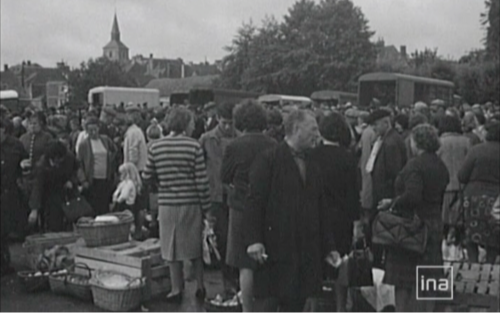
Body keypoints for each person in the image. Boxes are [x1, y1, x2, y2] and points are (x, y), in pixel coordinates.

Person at [246, 109, 339, 313]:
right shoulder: (267, 160)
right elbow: (254, 203)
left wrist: (329, 247)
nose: (317, 134)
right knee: (267, 305)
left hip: (304, 253)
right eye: (313, 129)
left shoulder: (313, 162)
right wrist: (254, 240)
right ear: (296, 129)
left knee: (296, 305)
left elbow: (321, 208)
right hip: (275, 250)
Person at [142, 107, 211, 303]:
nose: (193, 126)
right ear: (184, 124)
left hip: (167, 204)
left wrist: (161, 181)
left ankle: (175, 289)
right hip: (191, 204)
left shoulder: (156, 147)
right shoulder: (194, 146)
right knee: (194, 247)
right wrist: (207, 209)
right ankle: (200, 286)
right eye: (191, 123)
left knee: (171, 248)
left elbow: (146, 176)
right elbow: (201, 181)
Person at [380, 124, 449, 313]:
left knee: (403, 281)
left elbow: (412, 196)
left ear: (416, 142)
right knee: (429, 277)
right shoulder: (440, 165)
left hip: (412, 228)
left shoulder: (415, 164)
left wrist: (392, 202)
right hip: (434, 224)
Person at [221, 100, 277, 313]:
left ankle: (247, 310)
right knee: (264, 259)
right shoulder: (273, 144)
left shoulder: (234, 145)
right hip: (267, 207)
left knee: (244, 263)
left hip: (240, 207)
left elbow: (224, 177)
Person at [309, 112, 360, 313]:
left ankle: (313, 306)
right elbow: (353, 194)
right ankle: (340, 307)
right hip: (341, 218)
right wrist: (357, 222)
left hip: (316, 216)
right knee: (341, 264)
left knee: (314, 263)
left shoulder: (311, 155)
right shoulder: (348, 159)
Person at [199, 102, 240, 297]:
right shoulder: (206, 139)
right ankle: (228, 281)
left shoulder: (239, 139)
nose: (227, 127)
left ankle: (235, 279)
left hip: (234, 194)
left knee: (236, 238)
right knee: (221, 239)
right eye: (224, 123)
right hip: (215, 195)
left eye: (230, 123)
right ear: (217, 120)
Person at [458, 121, 500, 263]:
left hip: (473, 197)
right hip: (496, 199)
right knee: (494, 235)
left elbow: (462, 176)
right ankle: (490, 265)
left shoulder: (476, 150)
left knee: (471, 234)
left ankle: (473, 263)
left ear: (488, 133)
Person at [29, 141, 81, 232]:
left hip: (67, 194)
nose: (58, 163)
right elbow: (37, 188)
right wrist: (35, 209)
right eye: (55, 161)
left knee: (70, 221)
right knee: (53, 222)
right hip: (49, 194)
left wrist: (72, 181)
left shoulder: (70, 158)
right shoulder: (42, 166)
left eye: (60, 160)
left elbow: (77, 171)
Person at [1, 117, 28, 276]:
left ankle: (5, 263)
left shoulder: (15, 145)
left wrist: (24, 165)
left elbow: (24, 162)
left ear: (4, 130)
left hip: (10, 194)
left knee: (5, 231)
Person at [77, 116, 117, 216]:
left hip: (105, 179)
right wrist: (83, 180)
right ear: (86, 131)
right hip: (92, 180)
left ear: (98, 128)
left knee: (105, 206)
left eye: (95, 129)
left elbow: (115, 151)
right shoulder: (84, 144)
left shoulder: (105, 140)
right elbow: (78, 164)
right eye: (90, 130)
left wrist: (111, 163)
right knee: (94, 207)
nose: (93, 132)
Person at [437, 115, 470, 234]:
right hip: (462, 186)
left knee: (445, 220)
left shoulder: (439, 142)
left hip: (445, 186)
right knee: (459, 221)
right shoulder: (466, 141)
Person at [123, 104, 148, 238]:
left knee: (135, 203)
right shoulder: (136, 131)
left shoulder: (133, 132)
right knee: (138, 204)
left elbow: (133, 154)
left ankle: (136, 231)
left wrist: (130, 174)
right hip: (138, 171)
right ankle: (137, 230)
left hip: (135, 172)